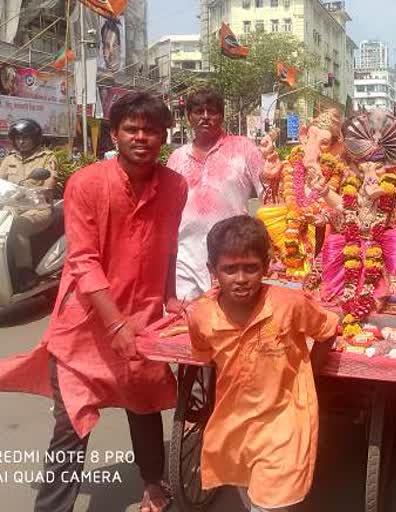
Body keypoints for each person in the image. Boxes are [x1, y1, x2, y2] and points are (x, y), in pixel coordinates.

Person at [0, 92, 187, 512]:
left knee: (144, 404)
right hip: (83, 325)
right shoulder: (85, 183)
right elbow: (82, 260)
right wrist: (116, 325)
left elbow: (169, 245)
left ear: (163, 135)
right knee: (70, 426)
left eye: (151, 129)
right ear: (115, 134)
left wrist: (170, 297)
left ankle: (153, 484)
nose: (141, 137)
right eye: (131, 129)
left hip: (143, 317)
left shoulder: (176, 186)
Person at [188, 215, 338, 512]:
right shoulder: (201, 316)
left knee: (269, 505)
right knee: (250, 493)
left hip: (284, 418)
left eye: (251, 268)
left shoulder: (289, 304)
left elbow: (327, 330)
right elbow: (204, 354)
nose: (241, 279)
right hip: (235, 423)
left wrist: (309, 372)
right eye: (230, 270)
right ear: (212, 271)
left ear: (267, 267)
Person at [167, 88, 264, 301]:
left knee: (227, 323)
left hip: (232, 255)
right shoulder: (176, 157)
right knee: (185, 322)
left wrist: (260, 236)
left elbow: (268, 195)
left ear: (221, 115)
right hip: (185, 256)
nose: (205, 117)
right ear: (188, 117)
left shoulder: (243, 149)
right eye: (198, 111)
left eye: (211, 111)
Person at [0, 118, 58, 289]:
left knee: (17, 227)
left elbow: (50, 183)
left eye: (25, 138)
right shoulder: (10, 159)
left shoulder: (47, 157)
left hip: (38, 209)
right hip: (11, 208)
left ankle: (25, 273)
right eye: (18, 138)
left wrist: (41, 190)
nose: (21, 142)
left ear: (35, 138)